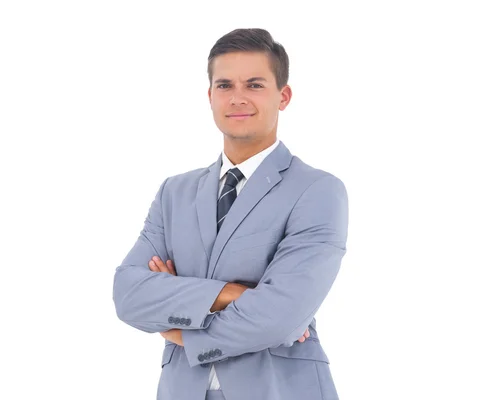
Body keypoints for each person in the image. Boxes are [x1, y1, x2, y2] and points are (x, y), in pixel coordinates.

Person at [112, 28, 348, 400]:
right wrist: (233, 294)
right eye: (225, 85)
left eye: (254, 85)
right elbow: (129, 295)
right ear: (210, 96)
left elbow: (281, 317)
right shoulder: (174, 192)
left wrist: (180, 329)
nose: (237, 98)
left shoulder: (317, 190)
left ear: (282, 96)